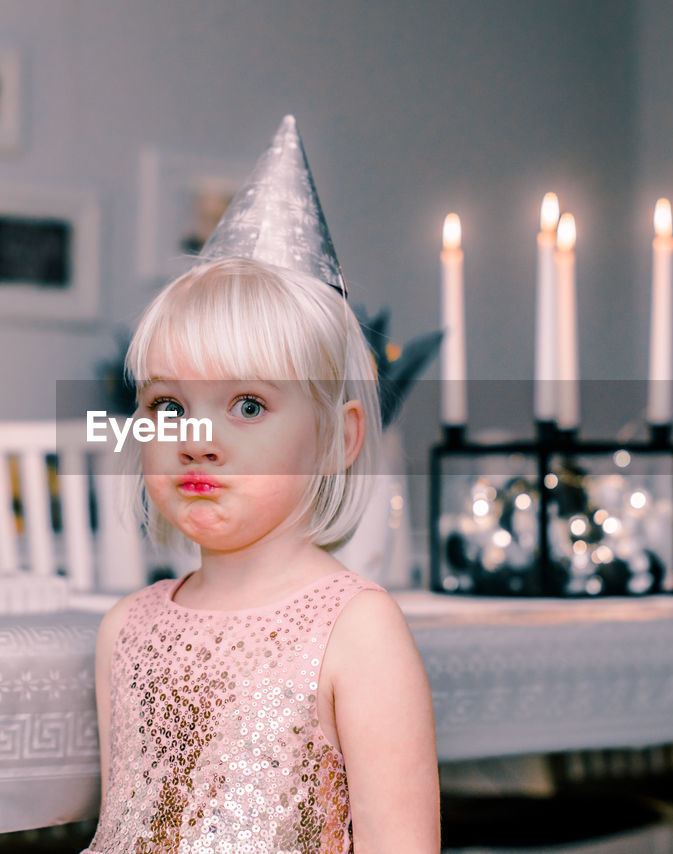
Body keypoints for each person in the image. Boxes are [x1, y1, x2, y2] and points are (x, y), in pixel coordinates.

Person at [83, 117, 439, 854]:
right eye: (169, 405)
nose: (197, 438)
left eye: (248, 405)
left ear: (338, 438)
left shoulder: (357, 631)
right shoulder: (127, 630)